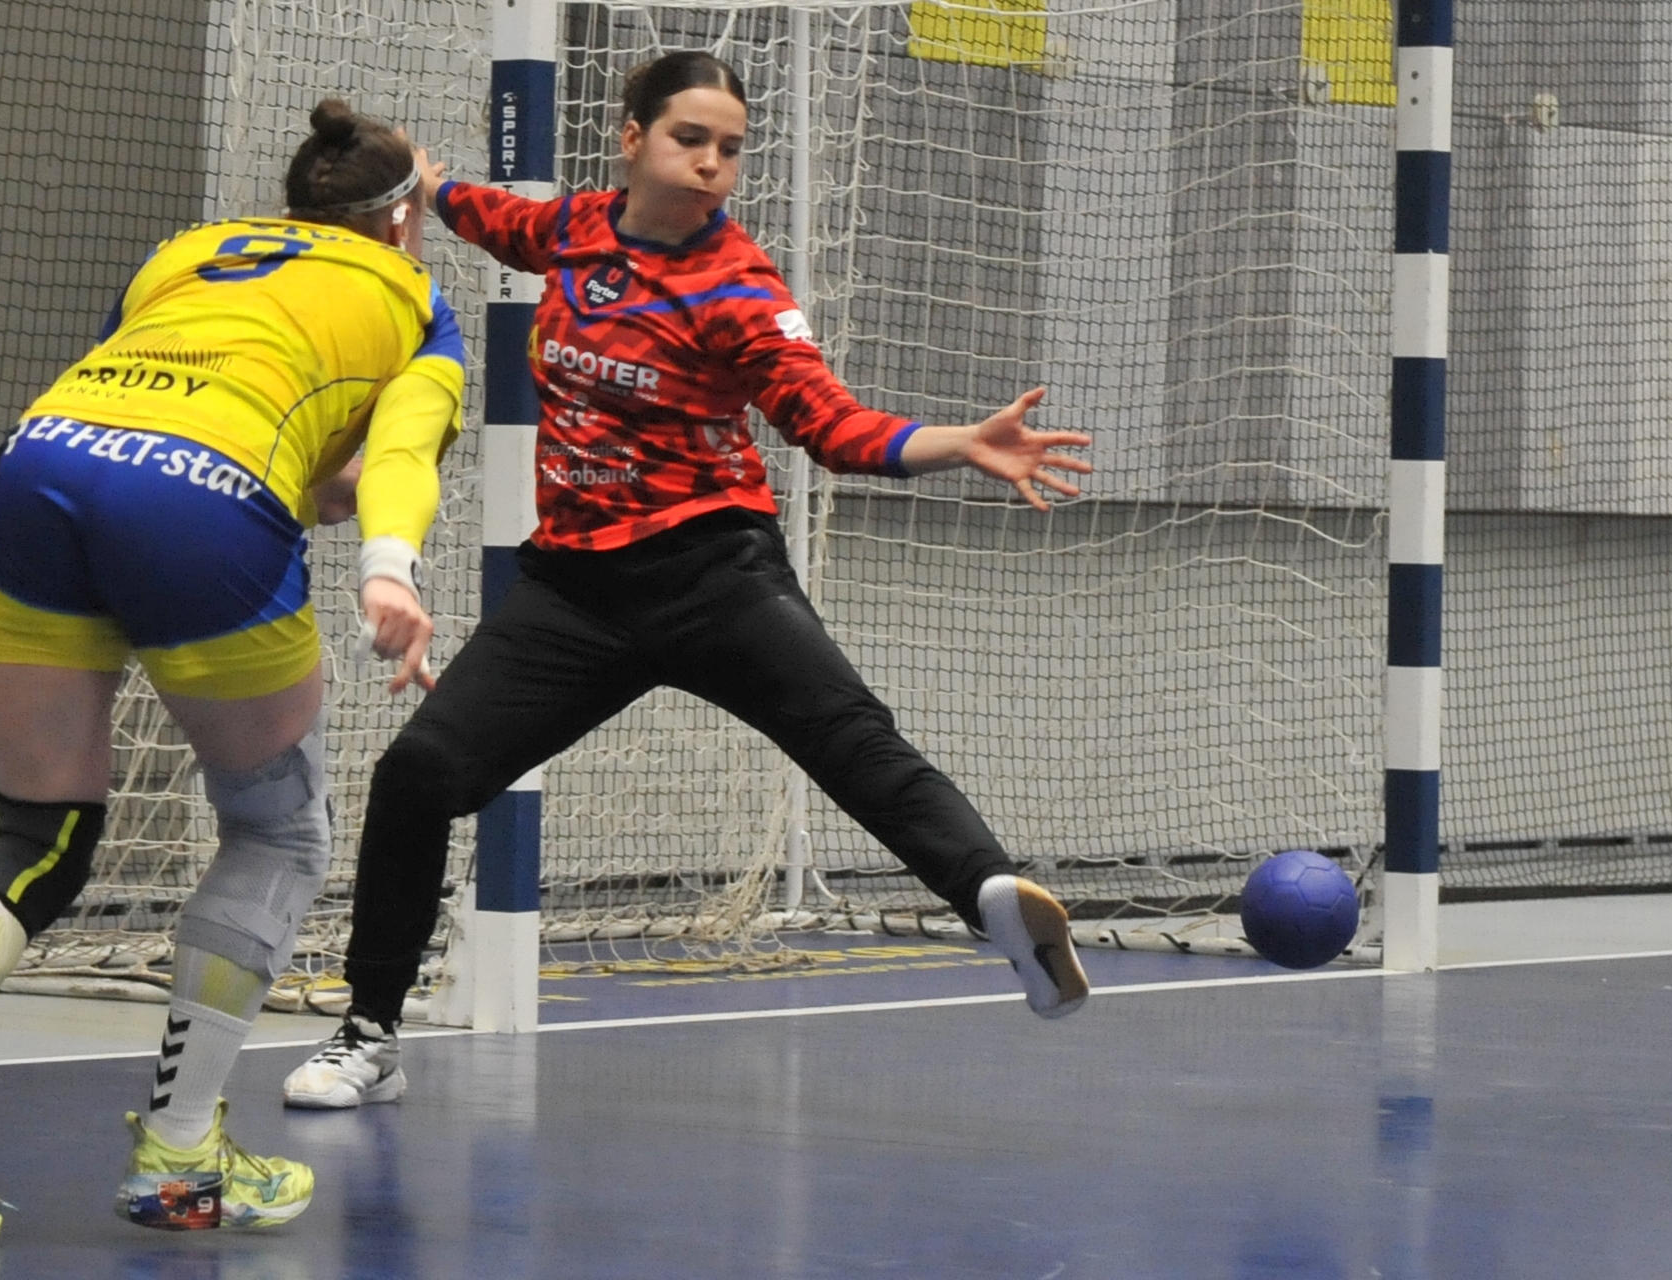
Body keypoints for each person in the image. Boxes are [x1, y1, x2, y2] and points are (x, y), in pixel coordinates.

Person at [280, 51, 1093, 1112]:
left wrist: (961, 443)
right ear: (632, 139)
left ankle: (994, 903)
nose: (713, 163)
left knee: (852, 738)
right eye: (691, 139)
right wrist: (414, 177)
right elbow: (478, 210)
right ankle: (369, 1034)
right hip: (573, 594)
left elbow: (833, 428)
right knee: (418, 774)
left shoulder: (742, 288)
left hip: (714, 575)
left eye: (730, 149)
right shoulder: (573, 229)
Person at [0, 98, 465, 1245]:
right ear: (406, 220)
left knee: (36, 829)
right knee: (277, 831)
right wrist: (389, 568)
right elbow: (398, 453)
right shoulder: (417, 303)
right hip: (203, 500)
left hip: (42, 463)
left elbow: (155, 384)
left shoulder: (190, 250)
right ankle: (179, 1154)